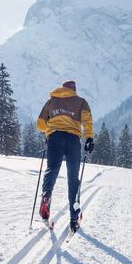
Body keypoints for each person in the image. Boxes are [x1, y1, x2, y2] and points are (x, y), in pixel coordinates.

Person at [37, 80, 94, 233]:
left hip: (55, 138)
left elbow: (40, 124)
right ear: (74, 89)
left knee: (52, 169)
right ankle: (74, 218)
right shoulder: (81, 102)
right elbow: (87, 121)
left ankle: (46, 194)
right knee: (73, 177)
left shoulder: (51, 101)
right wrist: (89, 138)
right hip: (73, 140)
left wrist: (52, 127)